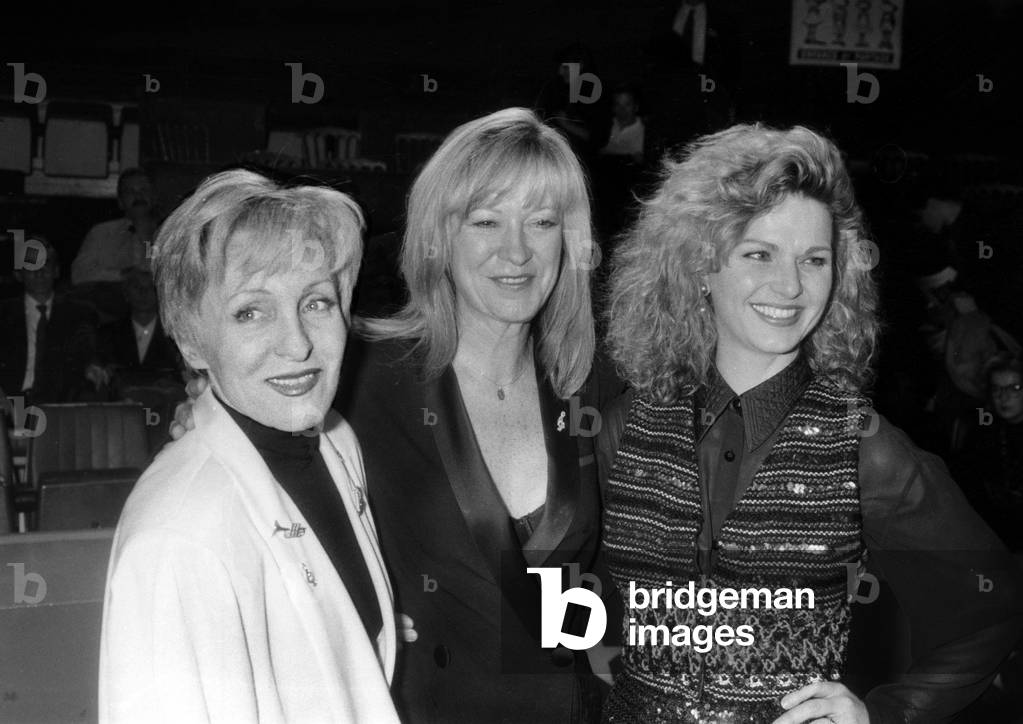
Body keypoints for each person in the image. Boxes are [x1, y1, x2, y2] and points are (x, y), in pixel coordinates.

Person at [597, 124, 1023, 722]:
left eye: (814, 259)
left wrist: (886, 712)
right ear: (699, 265)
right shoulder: (626, 425)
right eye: (759, 253)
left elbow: (994, 603)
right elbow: (574, 598)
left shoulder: (865, 448)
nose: (791, 286)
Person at [336, 107, 619, 722]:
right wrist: (351, 608)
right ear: (440, 238)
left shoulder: (590, 385)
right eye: (485, 220)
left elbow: (608, 590)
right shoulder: (359, 378)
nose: (516, 251)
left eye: (542, 222)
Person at [100, 169, 401, 723]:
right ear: (191, 339)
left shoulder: (335, 442)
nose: (298, 343)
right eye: (250, 311)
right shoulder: (176, 535)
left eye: (316, 302)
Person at [0, 234, 108, 403]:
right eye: (31, 266)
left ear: (56, 271)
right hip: (9, 403)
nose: (40, 273)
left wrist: (92, 364)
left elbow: (88, 348)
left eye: (45, 265)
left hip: (59, 405)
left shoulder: (79, 313)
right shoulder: (3, 313)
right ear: (19, 275)